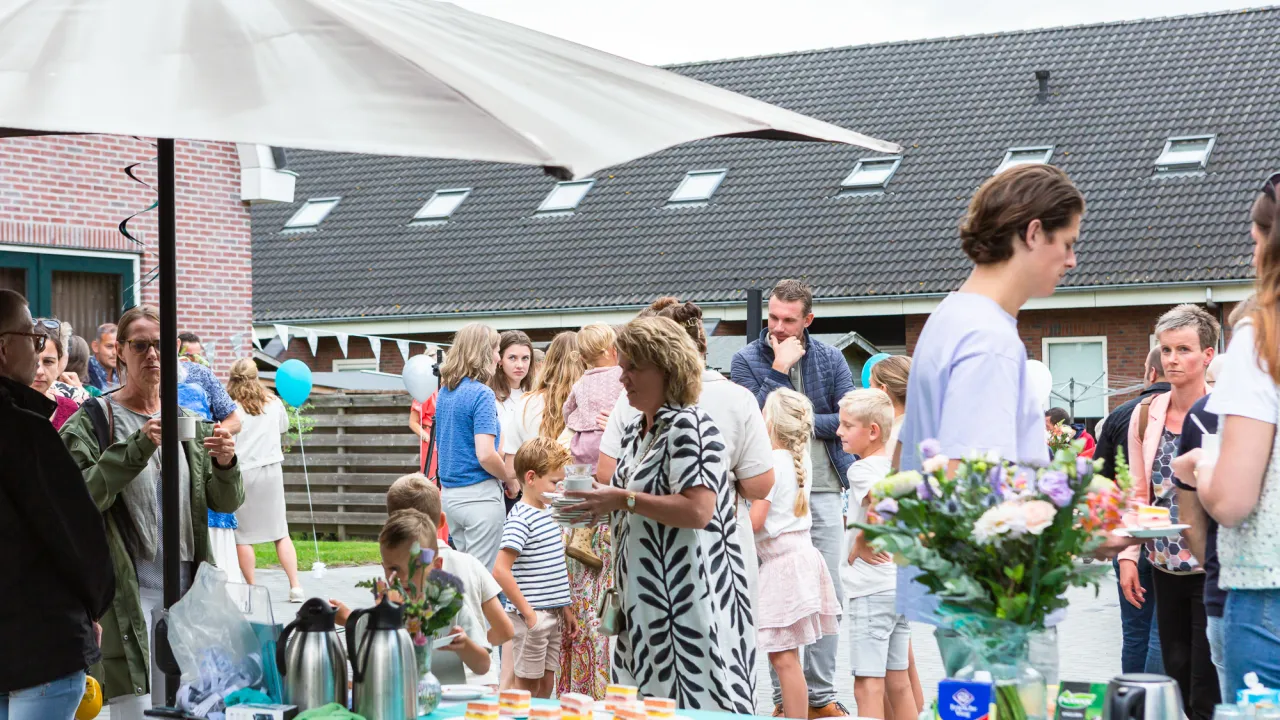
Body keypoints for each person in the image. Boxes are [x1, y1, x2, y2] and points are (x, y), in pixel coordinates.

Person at [897, 164, 1086, 683]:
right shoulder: (989, 340)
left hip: (966, 593)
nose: (1071, 260)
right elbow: (970, 478)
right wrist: (1078, 530)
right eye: (1066, 242)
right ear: (1031, 233)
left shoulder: (951, 317)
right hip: (998, 603)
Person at [59, 304, 243, 720]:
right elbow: (80, 501)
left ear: (175, 349)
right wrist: (138, 446)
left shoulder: (187, 421)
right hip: (129, 595)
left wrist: (226, 465)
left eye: (161, 345)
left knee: (196, 708)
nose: (152, 355)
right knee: (139, 710)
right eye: (140, 345)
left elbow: (224, 503)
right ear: (120, 351)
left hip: (188, 594)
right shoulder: (94, 420)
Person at [565, 316, 756, 714]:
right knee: (638, 707)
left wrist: (622, 500)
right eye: (623, 366)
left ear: (667, 368)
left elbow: (699, 510)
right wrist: (593, 508)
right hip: (642, 602)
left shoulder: (691, 426)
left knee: (690, 705)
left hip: (686, 600)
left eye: (634, 367)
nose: (623, 379)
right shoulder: (639, 429)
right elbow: (630, 504)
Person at [599, 297, 775, 618]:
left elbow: (606, 472)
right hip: (722, 546)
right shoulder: (738, 399)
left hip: (647, 550)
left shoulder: (632, 401)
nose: (624, 377)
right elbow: (760, 486)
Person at [731, 279, 854, 718]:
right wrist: (779, 372)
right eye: (773, 318)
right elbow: (750, 424)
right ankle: (786, 701)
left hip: (821, 488)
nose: (778, 328)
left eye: (788, 320)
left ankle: (821, 696)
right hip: (771, 491)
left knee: (825, 595)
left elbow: (847, 420)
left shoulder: (831, 358)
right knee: (777, 603)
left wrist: (798, 419)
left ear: (808, 320)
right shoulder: (747, 359)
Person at [0, 289, 115, 720]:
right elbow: (76, 535)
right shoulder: (25, 434)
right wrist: (93, 604)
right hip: (40, 644)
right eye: (31, 337)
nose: (38, 349)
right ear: (3, 349)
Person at [1193, 171, 1280, 697]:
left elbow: (1231, 500)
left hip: (1269, 588)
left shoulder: (1264, 336)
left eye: (1255, 243)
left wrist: (1204, 466)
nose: (1252, 259)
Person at [1118, 304, 1221, 720]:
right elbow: (1136, 492)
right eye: (1166, 350)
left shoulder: (1222, 414)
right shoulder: (1146, 414)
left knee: (1206, 681)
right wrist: (1129, 555)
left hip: (1211, 565)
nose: (1173, 359)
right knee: (1174, 674)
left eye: (1184, 349)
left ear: (1208, 355)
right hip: (1163, 563)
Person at [752, 388, 842, 720]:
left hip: (782, 565)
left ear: (771, 421)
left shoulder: (771, 463)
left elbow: (757, 520)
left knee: (783, 658)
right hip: (801, 557)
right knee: (787, 656)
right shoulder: (798, 457)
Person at [383, 474, 515, 688]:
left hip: (427, 685)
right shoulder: (470, 563)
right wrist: (477, 643)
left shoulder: (398, 576)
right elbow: (506, 630)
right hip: (481, 685)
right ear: (442, 521)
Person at [333, 510, 492, 684]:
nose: (405, 578)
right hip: (394, 706)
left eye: (416, 567)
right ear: (383, 567)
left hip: (447, 707)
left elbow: (482, 666)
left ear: (437, 566)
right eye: (394, 569)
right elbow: (362, 675)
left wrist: (466, 646)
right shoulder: (373, 618)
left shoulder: (452, 610)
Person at [838, 388, 915, 720]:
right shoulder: (895, 468)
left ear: (873, 431)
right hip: (897, 586)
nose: (838, 431)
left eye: (846, 425)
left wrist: (865, 536)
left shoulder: (862, 469)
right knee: (899, 682)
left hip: (870, 590)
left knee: (867, 684)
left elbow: (880, 497)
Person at [1097, 345, 1168, 675]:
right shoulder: (1197, 409)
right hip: (1176, 536)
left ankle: (1134, 704)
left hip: (1132, 531)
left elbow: (1100, 483)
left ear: (1151, 372)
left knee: (1136, 633)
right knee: (1165, 633)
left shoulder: (1120, 415)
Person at [863, 356, 925, 714]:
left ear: (884, 391)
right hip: (907, 546)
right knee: (903, 656)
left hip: (890, 550)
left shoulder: (893, 435)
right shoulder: (916, 427)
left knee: (894, 661)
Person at [493, 438, 578, 698]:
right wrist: (529, 615)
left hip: (552, 615)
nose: (559, 488)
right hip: (532, 617)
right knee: (526, 688)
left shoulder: (550, 513)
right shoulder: (521, 518)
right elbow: (500, 569)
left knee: (546, 685)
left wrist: (565, 607)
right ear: (531, 477)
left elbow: (553, 566)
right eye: (554, 482)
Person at [435, 323, 515, 570]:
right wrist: (509, 478)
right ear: (481, 352)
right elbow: (484, 453)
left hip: (451, 498)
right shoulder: (482, 394)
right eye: (495, 349)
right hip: (479, 498)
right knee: (482, 581)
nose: (498, 357)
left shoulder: (445, 393)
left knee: (465, 576)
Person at [226, 358, 302, 600]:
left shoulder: (229, 406)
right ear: (256, 376)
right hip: (270, 471)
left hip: (242, 471)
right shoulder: (273, 402)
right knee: (280, 531)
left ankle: (252, 586)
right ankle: (295, 586)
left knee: (242, 535)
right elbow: (283, 427)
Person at [504, 331, 584, 464]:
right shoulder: (592, 402)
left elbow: (511, 467)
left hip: (535, 480)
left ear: (549, 360)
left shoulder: (526, 403)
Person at [564, 323, 623, 466]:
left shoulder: (580, 383)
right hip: (611, 442)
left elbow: (567, 409)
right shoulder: (623, 376)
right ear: (615, 350)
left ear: (583, 357)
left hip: (583, 445)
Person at [31, 321, 80, 429]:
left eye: (48, 362)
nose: (40, 371)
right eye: (32, 361)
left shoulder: (71, 409)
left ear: (59, 363)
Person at [490, 330, 535, 430]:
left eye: (525, 358)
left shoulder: (535, 396)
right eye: (512, 358)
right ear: (500, 360)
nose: (520, 365)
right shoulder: (489, 397)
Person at [87, 322, 119, 392]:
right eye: (109, 346)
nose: (115, 352)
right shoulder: (84, 374)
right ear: (95, 346)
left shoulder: (125, 374)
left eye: (118, 347)